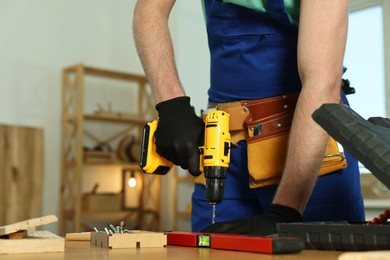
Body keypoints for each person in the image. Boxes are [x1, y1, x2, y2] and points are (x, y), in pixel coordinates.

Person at [133, 0, 365, 236]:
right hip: (222, 149)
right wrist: (172, 104)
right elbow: (150, 8)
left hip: (308, 149)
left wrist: (286, 211)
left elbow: (322, 83)